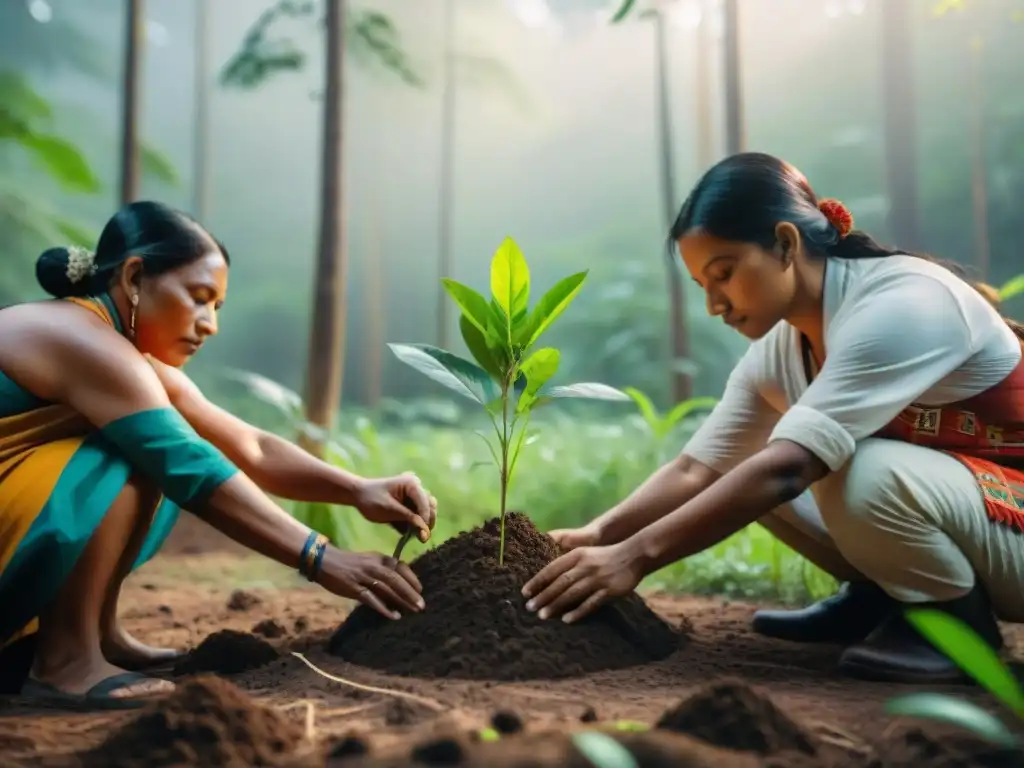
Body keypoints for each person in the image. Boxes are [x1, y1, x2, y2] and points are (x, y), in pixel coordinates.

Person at [521, 152, 1024, 684]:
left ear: (785, 244)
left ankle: (955, 629)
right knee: (742, 473)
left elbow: (787, 470)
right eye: (703, 286)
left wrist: (635, 558)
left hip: (1011, 523)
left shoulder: (904, 303)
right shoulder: (787, 345)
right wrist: (598, 535)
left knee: (848, 468)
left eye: (725, 273)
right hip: (972, 523)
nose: (716, 304)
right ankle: (881, 597)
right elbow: (699, 470)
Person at [0, 201, 437, 708]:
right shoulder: (84, 342)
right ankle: (66, 662)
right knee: (129, 451)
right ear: (136, 276)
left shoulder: (119, 355)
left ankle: (98, 633)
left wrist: (359, 489)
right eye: (200, 298)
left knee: (143, 442)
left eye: (218, 307)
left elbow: (251, 446)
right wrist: (321, 556)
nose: (210, 324)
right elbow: (190, 464)